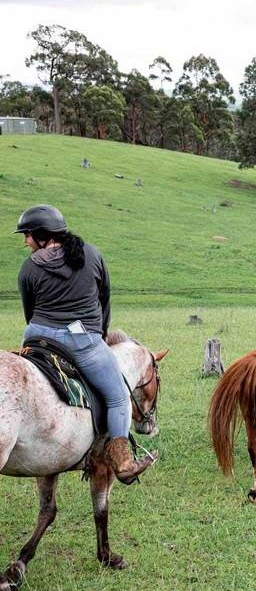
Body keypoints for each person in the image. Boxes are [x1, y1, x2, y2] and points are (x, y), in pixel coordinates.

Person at [15, 204, 156, 484]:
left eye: (27, 235)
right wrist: (100, 332)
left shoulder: (29, 266)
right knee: (117, 397)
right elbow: (105, 297)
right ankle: (123, 461)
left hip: (36, 335)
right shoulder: (92, 254)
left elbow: (29, 310)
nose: (25, 241)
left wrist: (41, 333)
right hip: (82, 339)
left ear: (42, 235)